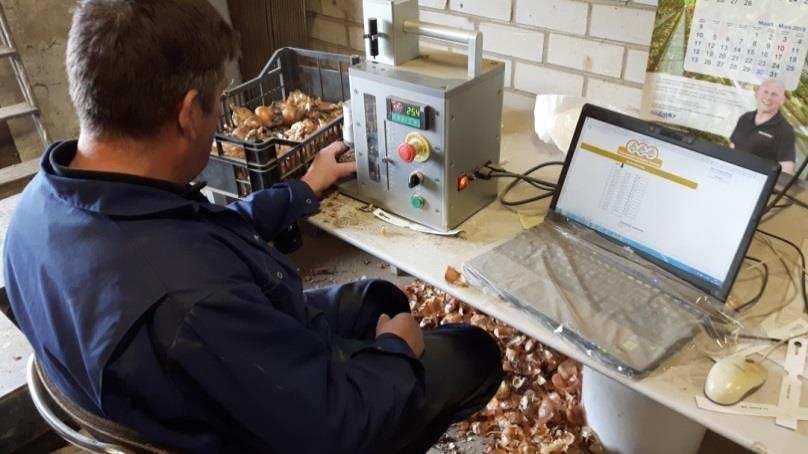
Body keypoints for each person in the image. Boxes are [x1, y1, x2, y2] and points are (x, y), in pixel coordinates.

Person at [3, 1, 502, 452]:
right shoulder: (190, 303)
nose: (221, 113)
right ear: (187, 113)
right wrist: (395, 353)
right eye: (218, 101)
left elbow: (192, 236)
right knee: (472, 350)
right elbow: (339, 427)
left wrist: (304, 187)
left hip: (196, 380)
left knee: (380, 298)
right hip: (268, 425)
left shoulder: (40, 206)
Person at [730, 79, 796, 174]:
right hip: (733, 173)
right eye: (765, 92)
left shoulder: (785, 130)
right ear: (757, 94)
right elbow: (732, 146)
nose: (768, 97)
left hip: (757, 181)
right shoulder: (745, 118)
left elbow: (787, 170)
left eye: (774, 94)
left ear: (782, 101)